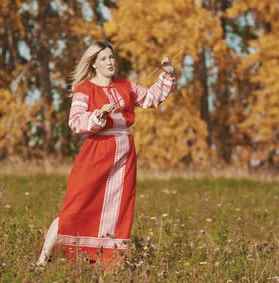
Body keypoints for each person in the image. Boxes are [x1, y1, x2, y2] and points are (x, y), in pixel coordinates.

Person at [36, 40, 176, 265]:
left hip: (124, 154)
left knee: (116, 206)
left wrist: (167, 75)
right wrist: (98, 116)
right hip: (97, 153)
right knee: (75, 205)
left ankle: (105, 261)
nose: (110, 62)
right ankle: (42, 261)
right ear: (93, 64)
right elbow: (76, 122)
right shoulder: (85, 89)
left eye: (111, 57)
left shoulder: (125, 86)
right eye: (103, 59)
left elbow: (151, 98)